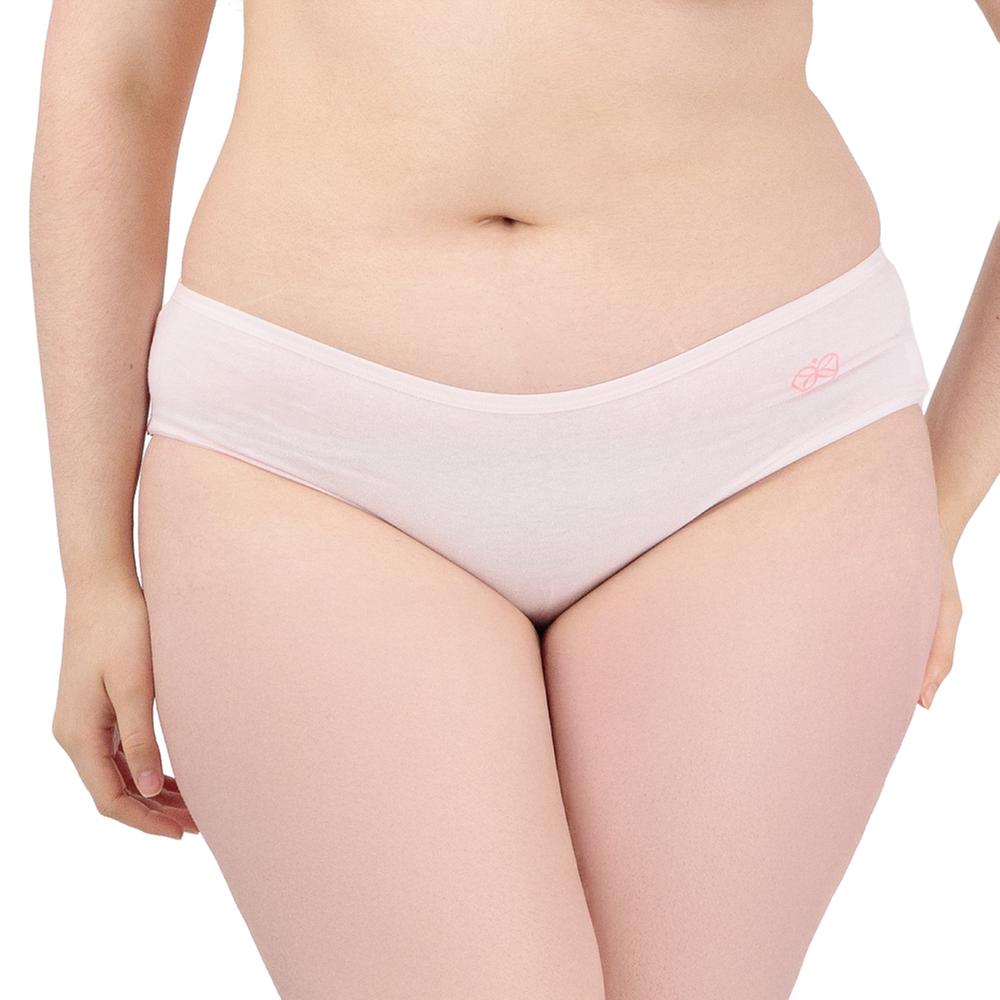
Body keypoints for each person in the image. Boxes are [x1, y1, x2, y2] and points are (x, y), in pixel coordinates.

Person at [29, 2, 999, 998]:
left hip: (765, 452)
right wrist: (92, 567)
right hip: (305, 462)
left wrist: (937, 502)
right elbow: (115, 69)